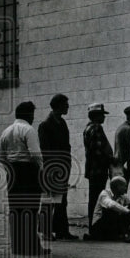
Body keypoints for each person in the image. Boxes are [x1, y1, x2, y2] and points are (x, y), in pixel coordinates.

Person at [0, 101, 49, 256]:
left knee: (16, 209)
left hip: (12, 172)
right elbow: (35, 154)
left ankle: (17, 246)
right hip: (28, 171)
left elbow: (1, 157)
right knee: (31, 209)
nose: (33, 118)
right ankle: (32, 246)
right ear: (28, 115)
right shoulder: (29, 130)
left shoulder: (6, 132)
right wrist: (41, 171)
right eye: (32, 114)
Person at [38, 92, 77, 240]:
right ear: (58, 106)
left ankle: (62, 230)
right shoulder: (45, 125)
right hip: (51, 169)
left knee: (62, 201)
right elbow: (45, 150)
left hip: (63, 168)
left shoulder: (62, 123)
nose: (67, 107)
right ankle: (45, 231)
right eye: (65, 105)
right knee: (49, 201)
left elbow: (66, 146)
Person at [82, 102, 114, 233]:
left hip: (92, 169)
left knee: (93, 197)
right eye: (102, 115)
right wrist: (111, 159)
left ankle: (92, 226)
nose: (104, 117)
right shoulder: (96, 128)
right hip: (98, 169)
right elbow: (99, 151)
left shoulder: (87, 128)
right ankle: (94, 227)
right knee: (96, 198)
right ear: (96, 115)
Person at [114, 105, 130, 183]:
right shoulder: (129, 129)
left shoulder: (122, 127)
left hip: (118, 165)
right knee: (122, 191)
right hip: (123, 165)